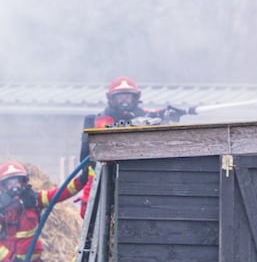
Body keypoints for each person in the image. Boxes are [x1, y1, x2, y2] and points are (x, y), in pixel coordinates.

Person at [75, 76, 196, 216]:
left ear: (135, 98)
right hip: (101, 180)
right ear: (111, 99)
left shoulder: (146, 117)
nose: (124, 101)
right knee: (91, 215)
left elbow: (157, 121)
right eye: (120, 97)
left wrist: (169, 115)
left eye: (128, 97)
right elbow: (89, 151)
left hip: (134, 181)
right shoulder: (99, 120)